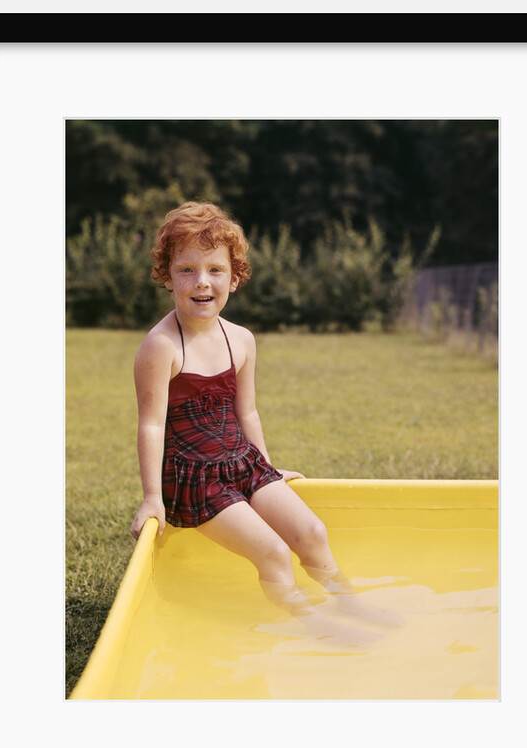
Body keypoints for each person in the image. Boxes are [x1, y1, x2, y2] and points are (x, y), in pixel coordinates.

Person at [130, 201, 400, 642]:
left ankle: (350, 602)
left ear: (234, 278)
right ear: (167, 275)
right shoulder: (160, 347)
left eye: (215, 270)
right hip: (194, 477)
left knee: (312, 531)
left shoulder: (241, 340)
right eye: (187, 270)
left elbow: (246, 412)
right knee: (274, 552)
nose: (202, 282)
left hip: (242, 462)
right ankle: (315, 627)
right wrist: (150, 498)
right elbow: (151, 426)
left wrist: (267, 472)